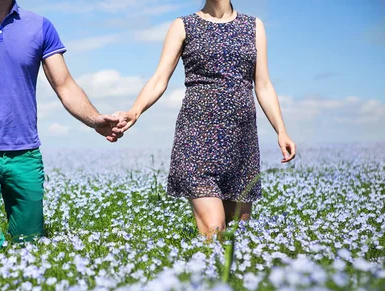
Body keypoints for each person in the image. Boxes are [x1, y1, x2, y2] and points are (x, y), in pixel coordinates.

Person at [0, 0, 121, 249]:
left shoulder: (41, 27)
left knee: (29, 246)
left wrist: (94, 120)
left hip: (26, 154)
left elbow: (65, 85)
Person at [112, 0, 296, 239]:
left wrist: (281, 130)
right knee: (214, 230)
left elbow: (262, 84)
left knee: (237, 236)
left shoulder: (254, 26)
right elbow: (160, 78)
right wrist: (134, 111)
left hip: (241, 143)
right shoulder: (183, 25)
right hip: (197, 140)